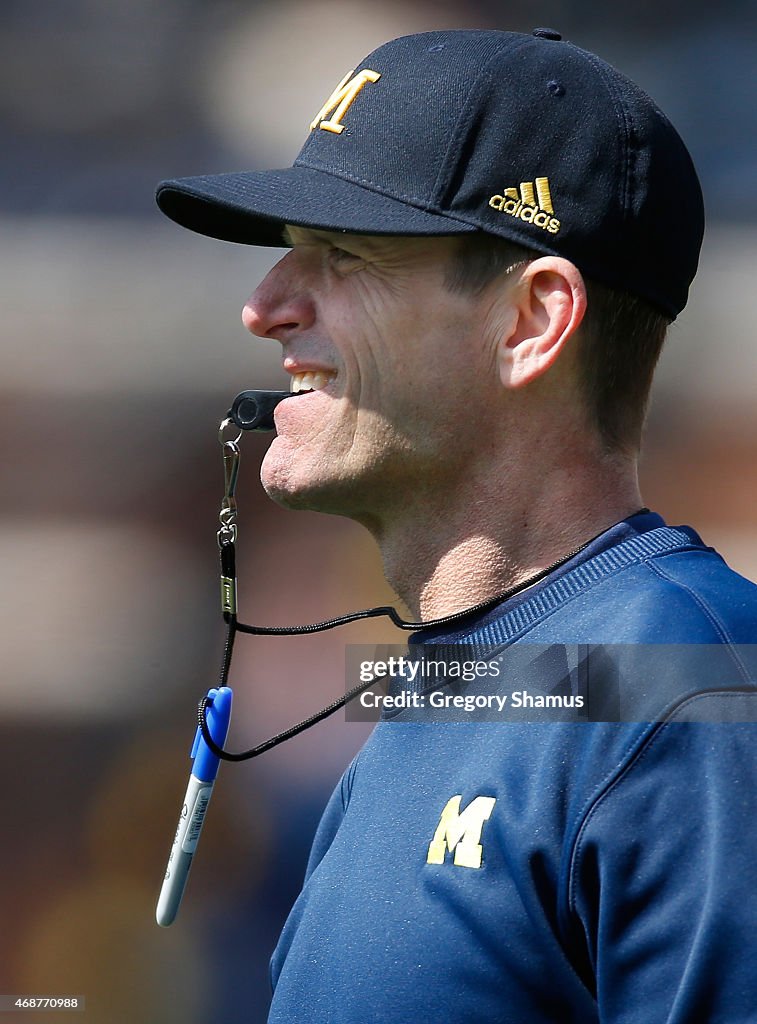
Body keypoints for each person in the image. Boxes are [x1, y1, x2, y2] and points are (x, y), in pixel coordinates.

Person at [156, 28, 757, 1023]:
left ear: (531, 321)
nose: (263, 307)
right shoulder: (449, 698)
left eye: (342, 257)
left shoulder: (690, 682)